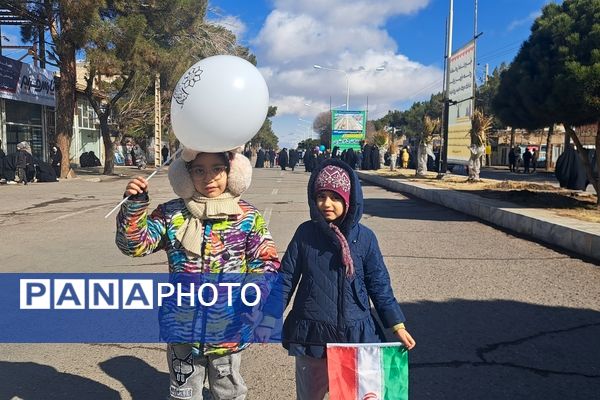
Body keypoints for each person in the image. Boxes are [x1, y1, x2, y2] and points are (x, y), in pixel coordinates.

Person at [116, 148, 280, 400]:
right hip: (182, 330)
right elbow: (134, 245)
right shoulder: (171, 214)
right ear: (187, 174)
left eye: (217, 169)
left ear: (231, 171)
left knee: (229, 393)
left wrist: (253, 297)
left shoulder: (247, 217)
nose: (209, 178)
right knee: (184, 395)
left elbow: (266, 263)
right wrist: (135, 205)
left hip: (228, 328)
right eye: (199, 170)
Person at [258, 159, 415, 399]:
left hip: (356, 336)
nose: (326, 204)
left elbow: (379, 284)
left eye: (335, 197)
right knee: (310, 394)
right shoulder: (305, 234)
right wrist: (269, 317)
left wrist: (397, 325)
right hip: (312, 337)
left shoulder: (365, 238)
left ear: (349, 199)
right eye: (321, 196)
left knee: (355, 395)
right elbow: (286, 278)